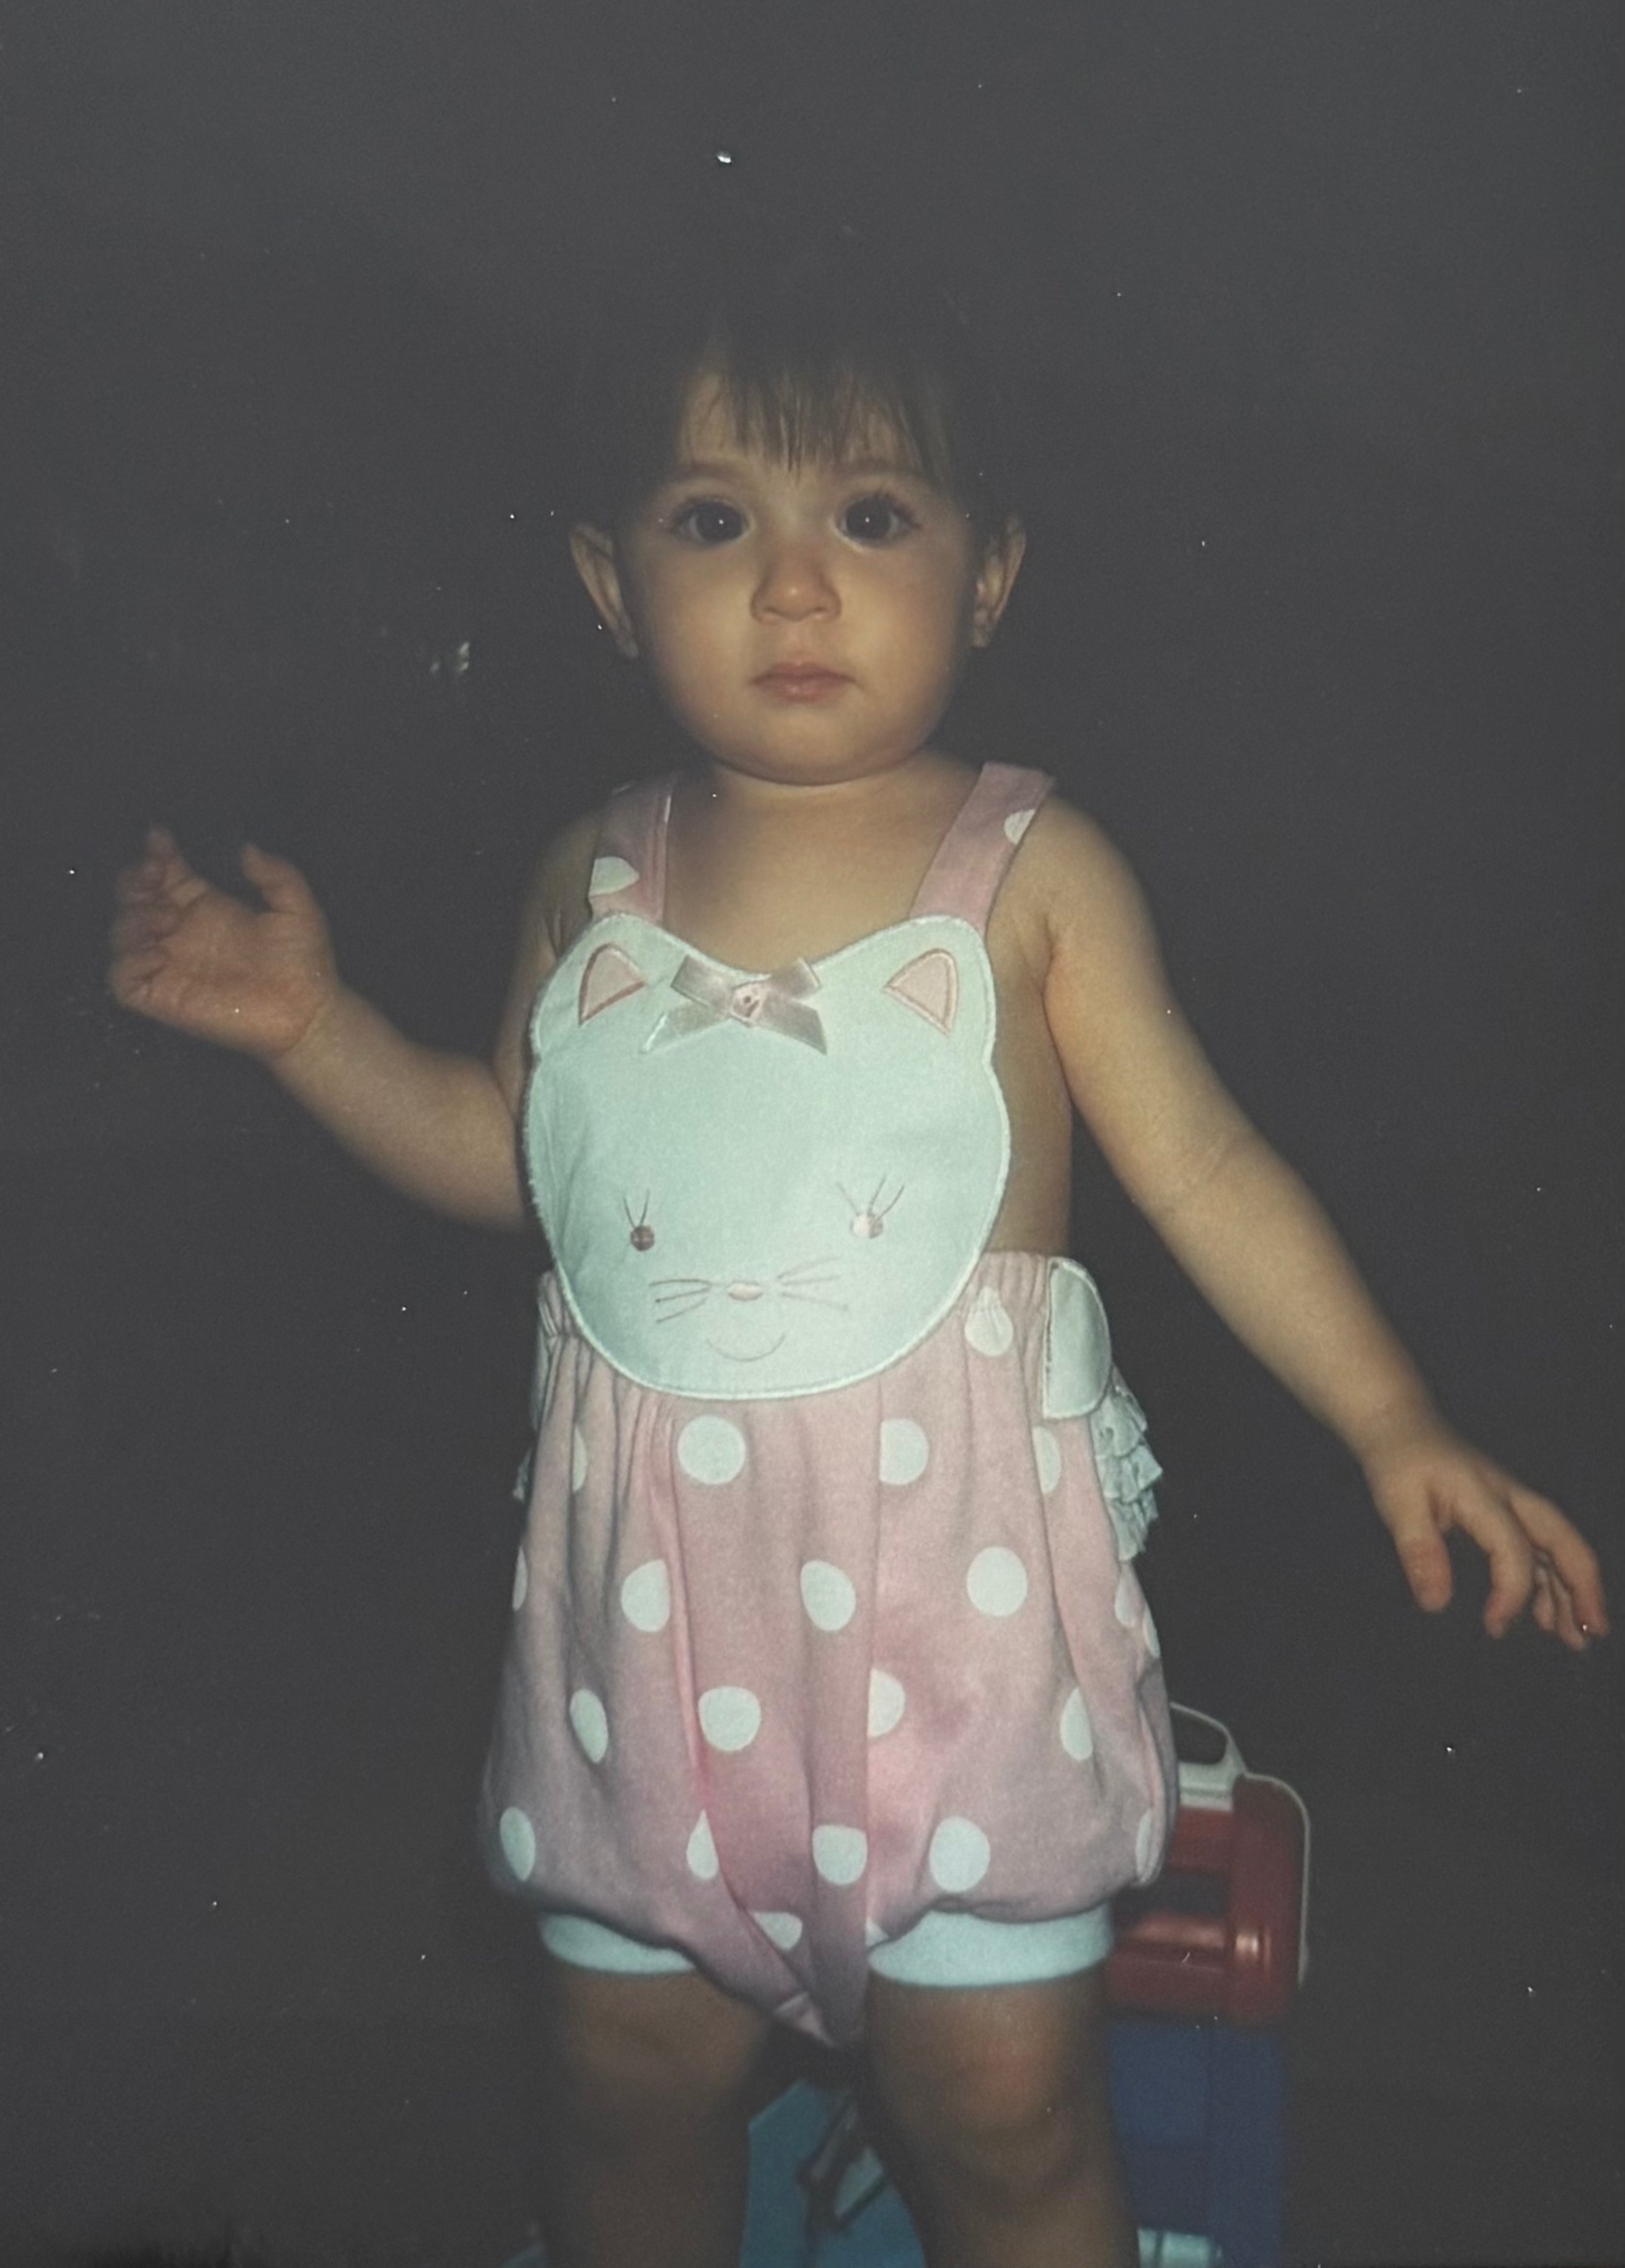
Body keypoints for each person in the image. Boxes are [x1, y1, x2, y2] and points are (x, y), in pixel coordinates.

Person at [110, 228, 1608, 2268]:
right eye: (713, 517)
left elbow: (1208, 1165)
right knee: (623, 2098)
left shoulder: (1033, 868)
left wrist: (1390, 1413)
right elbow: (510, 1155)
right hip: (645, 1659)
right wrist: (314, 1031)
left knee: (1006, 2121)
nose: (794, 584)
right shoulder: (592, 872)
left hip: (954, 1651)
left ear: (988, 575)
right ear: (606, 582)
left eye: (871, 514)